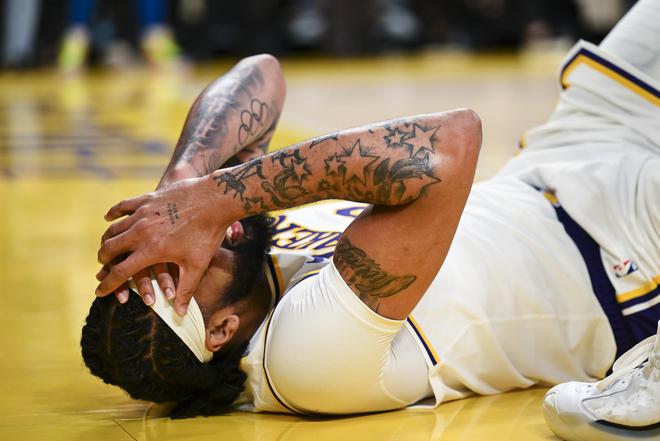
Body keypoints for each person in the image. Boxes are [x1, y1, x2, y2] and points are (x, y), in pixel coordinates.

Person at [84, 0, 659, 438]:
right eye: (174, 269)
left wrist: (183, 183)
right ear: (220, 331)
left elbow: (262, 74)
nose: (182, 241)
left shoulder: (238, 254)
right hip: (623, 259)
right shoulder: (300, 359)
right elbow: (452, 141)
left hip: (561, 159)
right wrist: (214, 199)